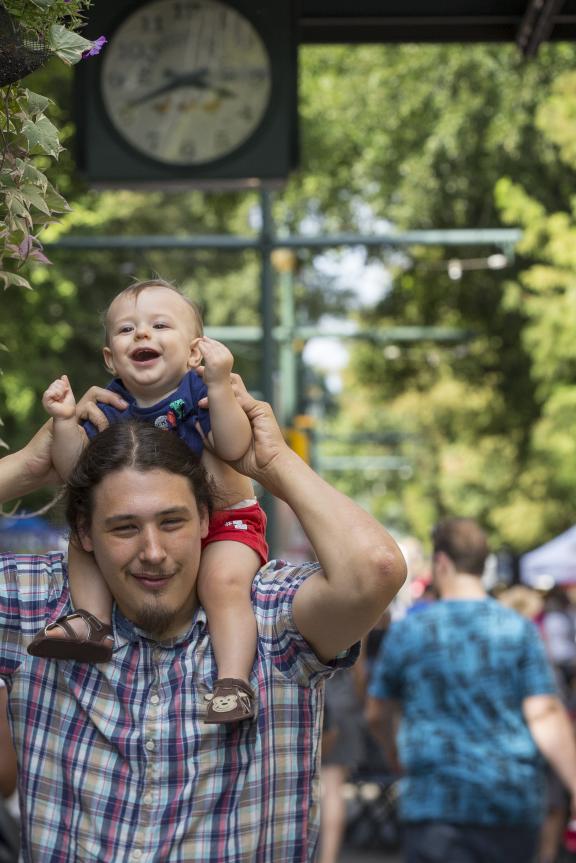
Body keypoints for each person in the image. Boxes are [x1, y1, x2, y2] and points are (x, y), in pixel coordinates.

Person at [0, 380, 406, 861]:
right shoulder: (39, 605)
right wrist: (28, 466)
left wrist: (274, 464)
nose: (153, 552)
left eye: (172, 522)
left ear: (207, 520)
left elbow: (376, 570)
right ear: (85, 532)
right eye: (125, 527)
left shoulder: (271, 617)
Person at [27, 279, 268, 724]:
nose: (141, 335)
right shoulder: (111, 406)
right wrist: (63, 422)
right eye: (126, 330)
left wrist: (217, 386)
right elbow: (76, 467)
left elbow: (234, 446)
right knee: (85, 541)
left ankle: (233, 682)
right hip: (145, 525)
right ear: (110, 358)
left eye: (160, 325)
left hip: (225, 522)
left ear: (195, 351)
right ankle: (91, 622)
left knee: (222, 585)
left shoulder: (198, 393)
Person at [366, 517, 576, 863]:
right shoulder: (519, 629)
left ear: (442, 562)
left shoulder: (411, 630)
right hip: (509, 803)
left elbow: (377, 711)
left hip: (434, 806)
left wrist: (393, 751)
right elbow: (545, 712)